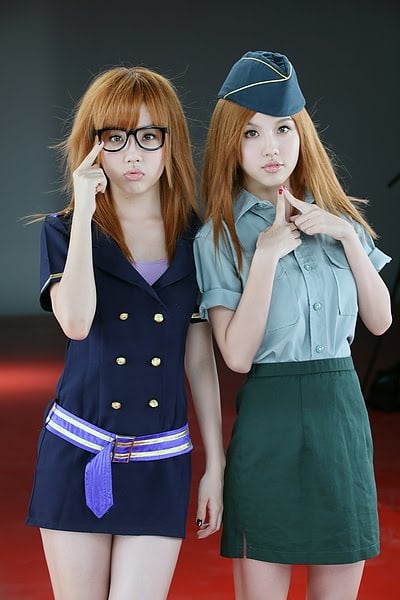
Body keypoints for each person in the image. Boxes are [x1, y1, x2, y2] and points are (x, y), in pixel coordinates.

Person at [193, 50, 392, 599]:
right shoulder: (218, 236)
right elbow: (236, 356)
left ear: (302, 133)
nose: (272, 147)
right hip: (269, 421)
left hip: (341, 417)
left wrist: (347, 236)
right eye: (252, 133)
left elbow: (380, 320)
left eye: (283, 128)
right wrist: (265, 255)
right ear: (231, 144)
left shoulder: (339, 219)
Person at [26, 65, 225, 600]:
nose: (132, 154)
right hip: (78, 452)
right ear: (93, 146)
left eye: (147, 136)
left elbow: (199, 360)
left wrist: (216, 464)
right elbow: (75, 322)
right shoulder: (64, 230)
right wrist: (85, 212)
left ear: (170, 142)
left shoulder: (197, 238)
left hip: (161, 457)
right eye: (114, 137)